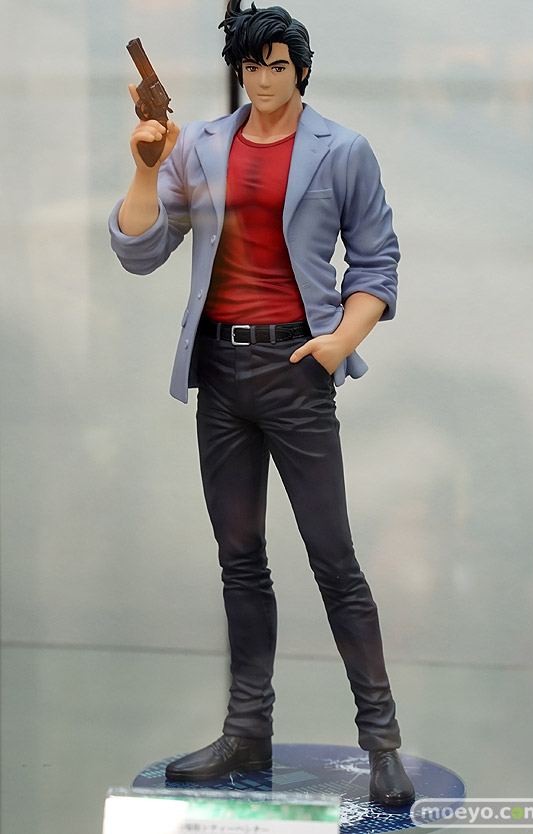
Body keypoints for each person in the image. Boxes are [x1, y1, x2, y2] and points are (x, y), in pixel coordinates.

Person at [109, 0, 415, 806]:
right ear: (238, 71)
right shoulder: (202, 145)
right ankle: (247, 731)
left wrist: (342, 340)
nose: (264, 79)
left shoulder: (342, 150)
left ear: (302, 70)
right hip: (220, 367)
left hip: (296, 368)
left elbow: (376, 261)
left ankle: (382, 742)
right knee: (239, 558)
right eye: (251, 66)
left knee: (334, 559)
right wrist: (145, 166)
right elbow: (140, 249)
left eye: (277, 65)